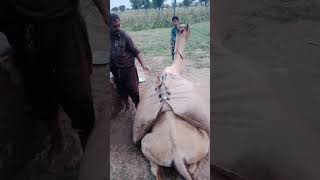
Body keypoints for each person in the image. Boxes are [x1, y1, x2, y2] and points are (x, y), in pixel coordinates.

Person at [0, 0, 107, 159]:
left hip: (63, 21)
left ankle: (88, 150)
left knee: (78, 93)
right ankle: (57, 138)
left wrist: (106, 15)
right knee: (39, 94)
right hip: (21, 24)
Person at [110, 13, 149, 109]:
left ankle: (137, 107)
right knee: (121, 91)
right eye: (115, 26)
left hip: (128, 69)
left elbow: (136, 51)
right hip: (115, 70)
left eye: (119, 25)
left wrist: (144, 65)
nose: (118, 28)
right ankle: (127, 106)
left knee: (134, 90)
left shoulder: (125, 36)